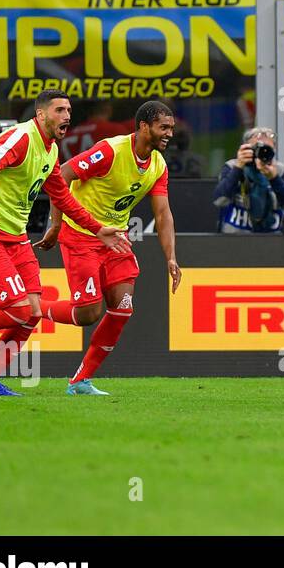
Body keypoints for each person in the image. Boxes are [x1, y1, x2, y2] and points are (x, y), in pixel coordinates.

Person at [0, 89, 130, 395]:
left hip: (16, 238)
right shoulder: (22, 138)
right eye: (59, 110)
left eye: (68, 110)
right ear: (41, 114)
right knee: (19, 310)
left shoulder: (50, 149)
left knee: (34, 311)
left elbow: (63, 197)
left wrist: (97, 228)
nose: (67, 115)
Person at [31, 101, 180, 396]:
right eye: (164, 127)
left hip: (116, 238)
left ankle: (80, 381)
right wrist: (56, 223)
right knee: (87, 313)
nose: (169, 134)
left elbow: (163, 214)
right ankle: (31, 307)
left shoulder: (158, 166)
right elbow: (61, 175)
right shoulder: (110, 150)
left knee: (123, 307)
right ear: (144, 126)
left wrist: (171, 258)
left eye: (171, 128)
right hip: (80, 234)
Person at [212, 125, 284, 233]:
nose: (261, 153)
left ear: (274, 150)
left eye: (267, 149)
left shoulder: (280, 170)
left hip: (271, 241)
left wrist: (274, 179)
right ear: (245, 148)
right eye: (256, 148)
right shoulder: (232, 166)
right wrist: (238, 168)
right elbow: (220, 200)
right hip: (235, 240)